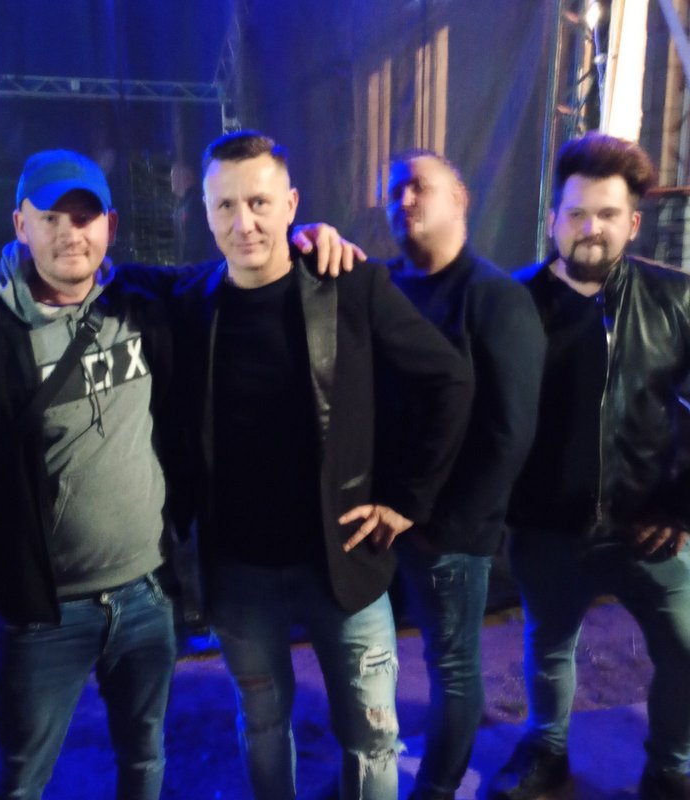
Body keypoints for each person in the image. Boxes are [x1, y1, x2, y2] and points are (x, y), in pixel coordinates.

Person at [0, 147, 355, 800]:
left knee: (144, 759)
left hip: (147, 595)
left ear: (109, 225)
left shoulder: (144, 299)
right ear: (20, 224)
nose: (69, 234)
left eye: (84, 218)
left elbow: (241, 266)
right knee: (22, 777)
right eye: (50, 217)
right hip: (43, 614)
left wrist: (307, 240)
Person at [167, 130, 474, 800]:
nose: (243, 222)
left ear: (291, 204)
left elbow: (449, 380)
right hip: (238, 572)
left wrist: (408, 499)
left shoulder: (350, 285)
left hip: (344, 563)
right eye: (225, 206)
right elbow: (104, 274)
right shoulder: (190, 303)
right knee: (262, 725)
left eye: (259, 202)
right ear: (206, 213)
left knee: (371, 738)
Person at [489, 132, 690, 800]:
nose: (590, 228)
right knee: (548, 646)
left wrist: (682, 505)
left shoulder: (677, 299)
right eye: (576, 213)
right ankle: (546, 750)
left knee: (686, 648)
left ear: (633, 223)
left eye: (607, 214)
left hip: (649, 528)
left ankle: (672, 765)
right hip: (546, 528)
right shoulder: (509, 302)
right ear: (552, 218)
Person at [382, 150, 545, 800]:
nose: (404, 201)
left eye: (419, 187)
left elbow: (509, 431)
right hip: (378, 521)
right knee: (375, 659)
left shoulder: (496, 298)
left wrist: (445, 525)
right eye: (394, 192)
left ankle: (437, 789)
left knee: (451, 668)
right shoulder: (383, 286)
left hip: (445, 534)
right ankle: (370, 770)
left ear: (460, 199)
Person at [171, 160, 218, 264]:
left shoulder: (196, 203)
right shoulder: (184, 203)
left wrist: (189, 261)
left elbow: (195, 236)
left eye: (175, 176)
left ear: (187, 178)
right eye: (172, 177)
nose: (172, 181)